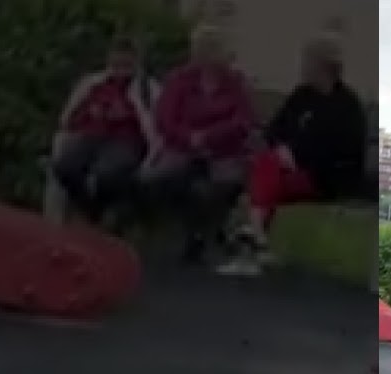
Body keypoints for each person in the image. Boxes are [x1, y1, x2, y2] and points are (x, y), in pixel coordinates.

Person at [218, 37, 368, 276]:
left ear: (324, 66)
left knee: (264, 174)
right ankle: (257, 242)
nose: (302, 66)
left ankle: (255, 240)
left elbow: (344, 152)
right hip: (287, 170)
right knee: (266, 170)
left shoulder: (347, 106)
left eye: (308, 61)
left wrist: (297, 157)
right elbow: (274, 130)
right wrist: (283, 152)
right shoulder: (301, 95)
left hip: (326, 177)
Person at [143, 24, 255, 265]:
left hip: (224, 149)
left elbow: (243, 121)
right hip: (182, 146)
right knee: (155, 180)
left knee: (222, 185)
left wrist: (209, 136)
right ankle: (187, 228)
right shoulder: (180, 79)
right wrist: (189, 137)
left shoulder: (235, 82)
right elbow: (165, 118)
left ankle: (209, 233)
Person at [49, 36, 160, 226]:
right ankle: (88, 208)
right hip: (91, 134)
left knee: (107, 173)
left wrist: (132, 109)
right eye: (117, 63)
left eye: (126, 64)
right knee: (65, 165)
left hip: (126, 139)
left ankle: (102, 211)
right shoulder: (93, 83)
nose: (120, 69)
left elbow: (154, 126)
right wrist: (92, 114)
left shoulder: (148, 89)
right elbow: (69, 116)